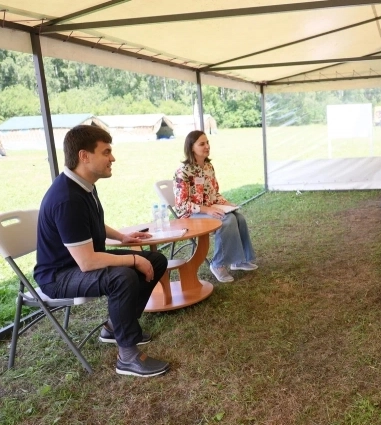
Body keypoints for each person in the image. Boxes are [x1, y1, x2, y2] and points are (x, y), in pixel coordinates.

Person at [34, 125, 169, 377]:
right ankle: (127, 357)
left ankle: (114, 328)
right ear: (84, 156)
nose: (113, 158)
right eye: (106, 152)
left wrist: (122, 237)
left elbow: (89, 224)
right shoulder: (67, 198)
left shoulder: (84, 185)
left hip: (80, 262)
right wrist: (131, 260)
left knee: (155, 259)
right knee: (124, 274)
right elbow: (86, 261)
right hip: (59, 275)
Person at [174, 130, 257, 283]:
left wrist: (226, 203)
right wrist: (207, 209)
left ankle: (239, 260)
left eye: (207, 143)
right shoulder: (183, 172)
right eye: (202, 144)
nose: (207, 146)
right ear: (191, 147)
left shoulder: (208, 167)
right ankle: (218, 264)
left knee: (238, 217)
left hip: (209, 209)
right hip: (190, 214)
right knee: (227, 220)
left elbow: (214, 193)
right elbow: (181, 204)